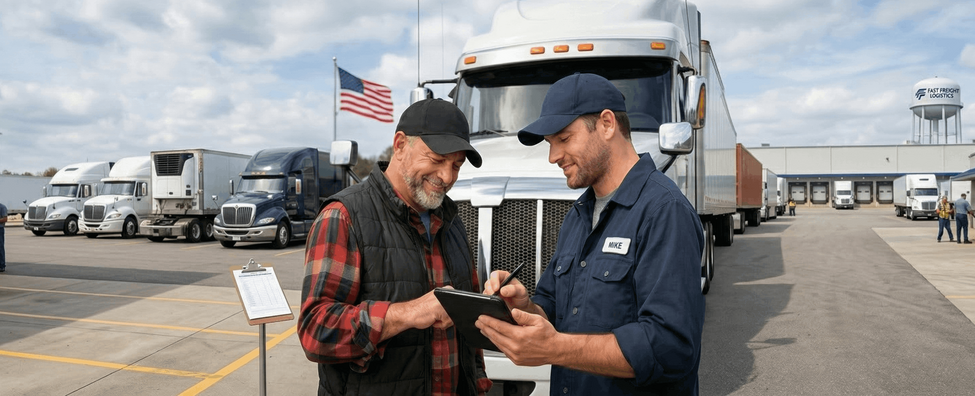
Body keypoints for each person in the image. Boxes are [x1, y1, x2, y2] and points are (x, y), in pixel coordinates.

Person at [477, 73, 705, 395]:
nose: (553, 156)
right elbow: (556, 311)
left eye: (564, 139)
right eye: (550, 144)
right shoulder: (578, 216)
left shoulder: (664, 211)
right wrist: (526, 306)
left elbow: (670, 348)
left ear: (607, 124)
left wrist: (555, 348)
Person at [297, 99, 491, 396]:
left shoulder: (451, 220)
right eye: (437, 159)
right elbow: (315, 330)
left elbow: (466, 323)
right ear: (400, 145)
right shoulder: (344, 216)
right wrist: (407, 313)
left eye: (456, 165)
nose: (447, 176)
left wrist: (478, 380)